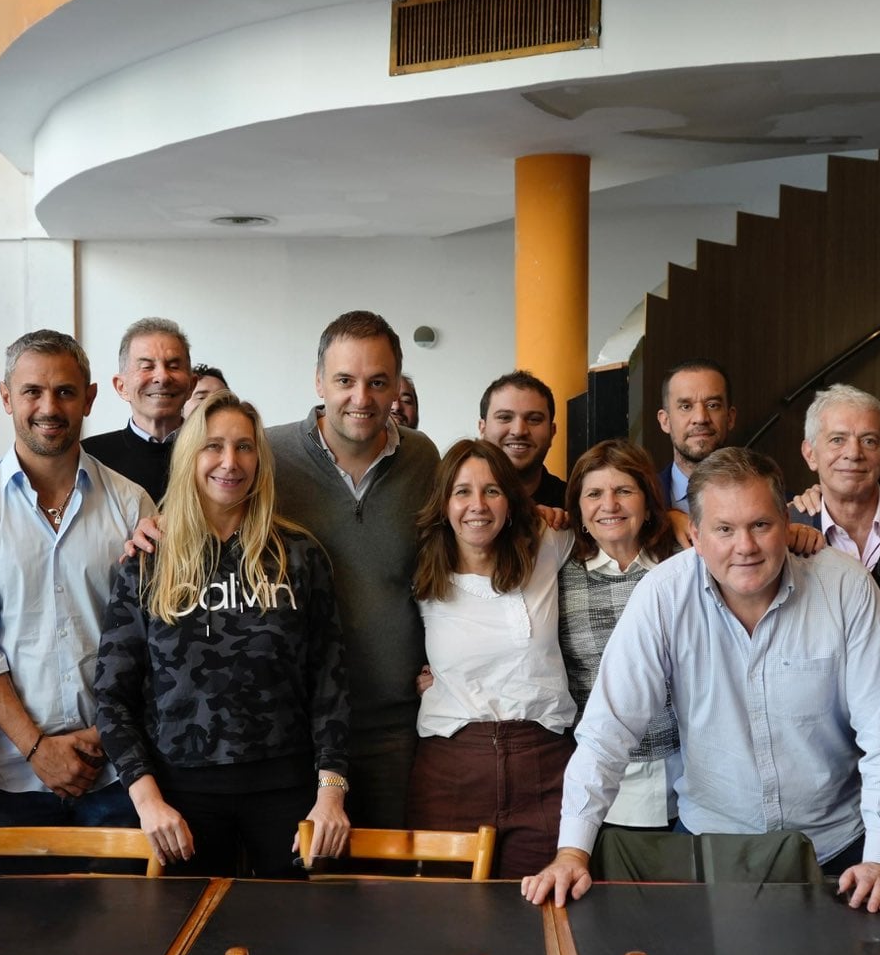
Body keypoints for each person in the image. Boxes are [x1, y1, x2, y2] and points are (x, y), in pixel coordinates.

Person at [523, 447, 880, 912]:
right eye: (724, 529)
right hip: (712, 851)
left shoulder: (845, 587)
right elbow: (606, 733)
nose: (745, 547)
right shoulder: (664, 594)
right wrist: (572, 851)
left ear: (787, 521)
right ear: (695, 535)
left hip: (839, 854)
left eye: (760, 525)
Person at [94, 392, 350, 874]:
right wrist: (147, 799)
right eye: (213, 446)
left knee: (299, 940)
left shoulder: (298, 556)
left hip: (290, 793)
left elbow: (330, 684)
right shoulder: (149, 561)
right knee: (192, 939)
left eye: (244, 447)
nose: (230, 463)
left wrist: (331, 794)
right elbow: (111, 694)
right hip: (182, 798)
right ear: (191, 456)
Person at [0, 329, 154, 831]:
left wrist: (104, 737)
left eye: (65, 391)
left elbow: (153, 641)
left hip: (117, 772)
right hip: (11, 779)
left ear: (90, 398)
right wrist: (36, 748)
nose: (48, 407)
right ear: (6, 396)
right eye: (32, 391)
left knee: (130, 912)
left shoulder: (131, 504)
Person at [265, 311, 439, 828]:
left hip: (393, 723)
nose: (360, 398)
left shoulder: (424, 459)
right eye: (344, 380)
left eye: (377, 382)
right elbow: (195, 515)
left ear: (396, 389)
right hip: (295, 727)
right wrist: (152, 528)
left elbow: (464, 549)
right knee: (304, 888)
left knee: (390, 888)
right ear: (319, 381)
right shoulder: (268, 457)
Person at [409, 439, 575, 878]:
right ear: (443, 502)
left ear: (511, 501)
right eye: (462, 491)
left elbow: (617, 527)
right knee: (446, 924)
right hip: (452, 767)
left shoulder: (547, 545)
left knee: (536, 918)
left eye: (492, 491)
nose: (477, 505)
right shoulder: (422, 570)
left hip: (544, 764)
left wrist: (672, 516)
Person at [558, 439, 682, 831]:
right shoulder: (558, 573)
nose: (609, 505)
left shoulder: (682, 566)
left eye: (624, 491)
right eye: (594, 493)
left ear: (647, 502)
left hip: (691, 778)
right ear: (578, 508)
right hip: (606, 785)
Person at [789, 383, 880, 575]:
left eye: (869, 441)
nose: (853, 453)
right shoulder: (783, 530)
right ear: (810, 454)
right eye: (837, 440)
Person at [81, 318, 193, 503]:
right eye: (147, 367)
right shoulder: (90, 457)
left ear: (191, 385)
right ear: (121, 387)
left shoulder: (216, 454)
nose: (162, 377)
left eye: (173, 366)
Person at [655, 360, 735, 516]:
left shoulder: (779, 503)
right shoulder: (643, 502)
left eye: (712, 405)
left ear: (730, 418)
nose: (700, 418)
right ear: (665, 421)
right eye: (686, 406)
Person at [478, 369, 567, 510]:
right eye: (504, 417)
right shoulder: (449, 502)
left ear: (552, 432)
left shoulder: (575, 506)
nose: (519, 431)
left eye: (534, 419)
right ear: (482, 428)